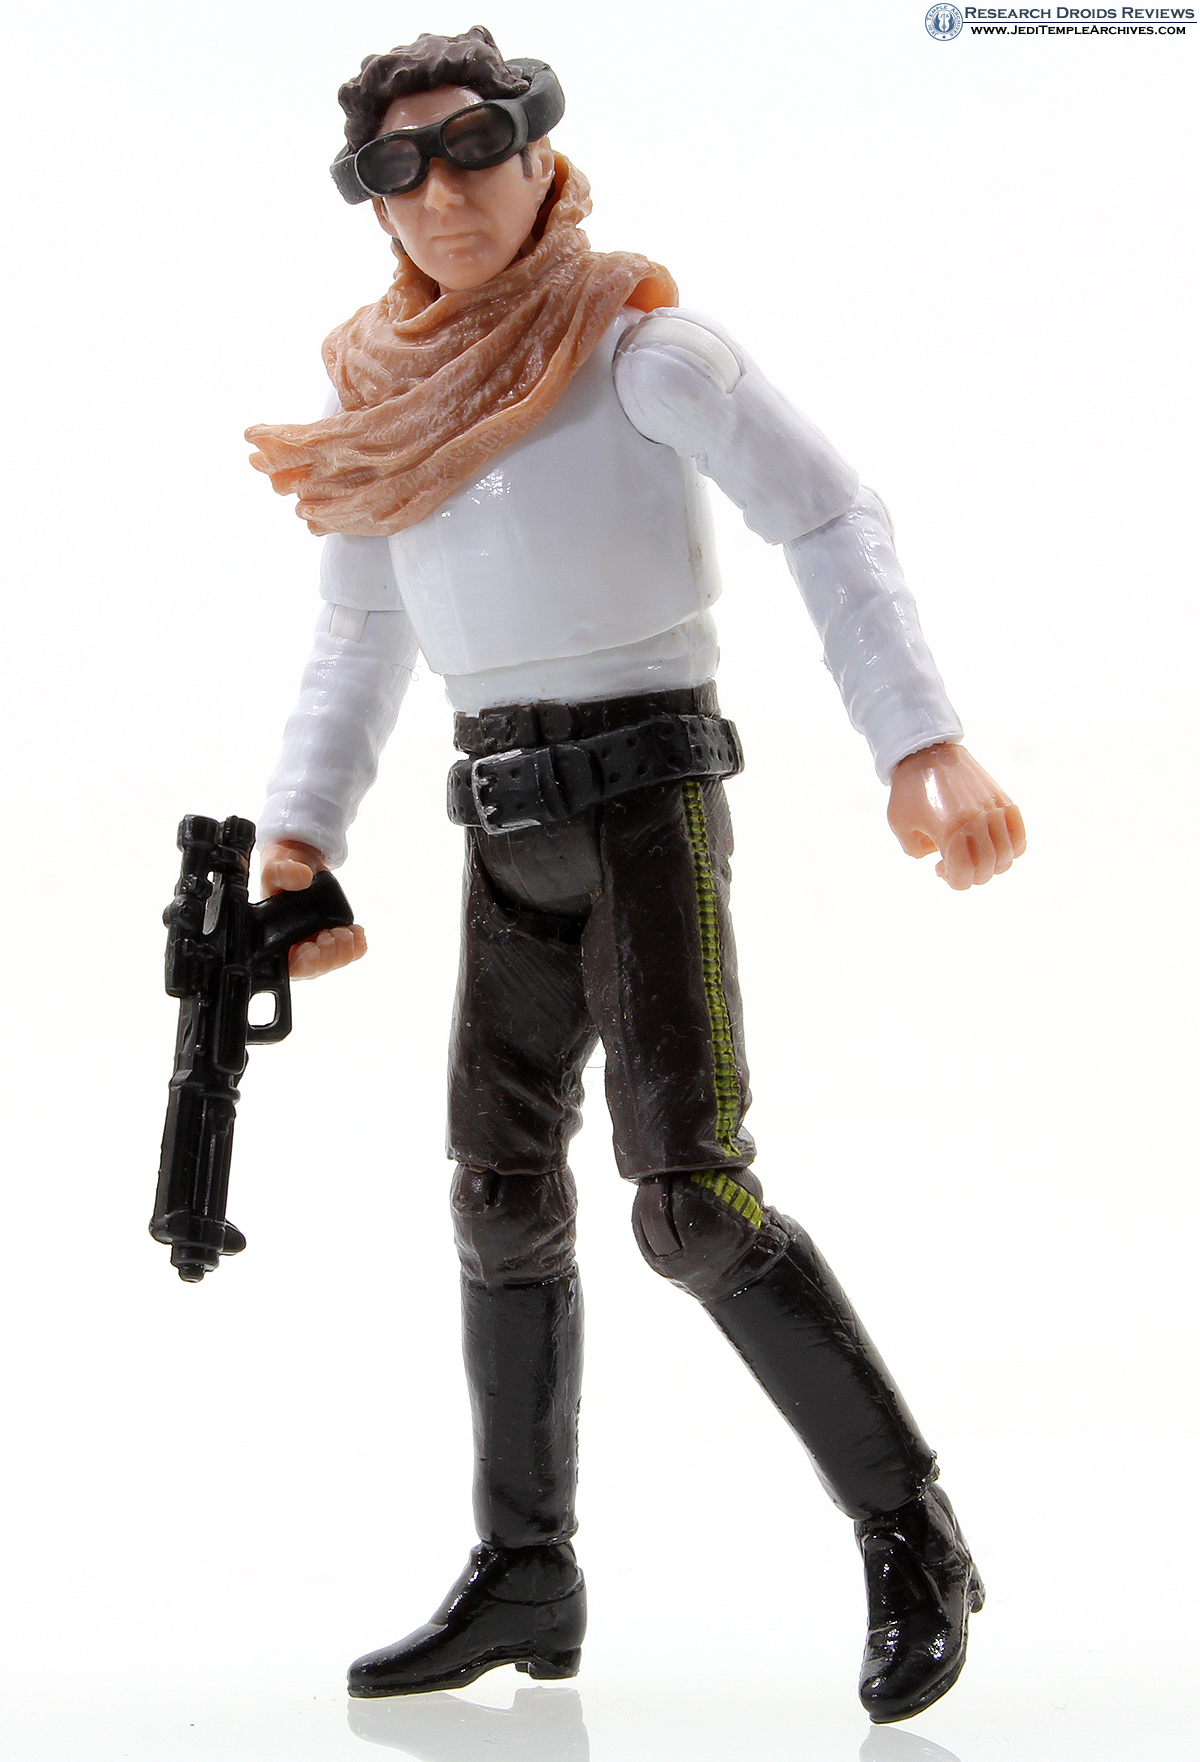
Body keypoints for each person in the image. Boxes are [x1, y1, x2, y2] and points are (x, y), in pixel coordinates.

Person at [246, 27, 1025, 1724]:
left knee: (691, 1199)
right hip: (498, 817)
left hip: (646, 804)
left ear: (539, 149)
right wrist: (298, 836)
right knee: (495, 1191)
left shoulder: (642, 350)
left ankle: (912, 1531)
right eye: (397, 170)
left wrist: (920, 737)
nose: (441, 195)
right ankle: (527, 1566)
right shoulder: (382, 404)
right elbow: (357, 634)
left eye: (473, 147)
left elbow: (830, 515)